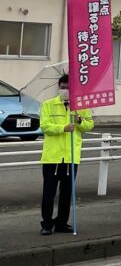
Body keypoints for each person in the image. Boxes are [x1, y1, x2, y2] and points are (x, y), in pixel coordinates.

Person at [39, 73, 94, 235]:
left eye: (69, 88)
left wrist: (79, 121)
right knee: (49, 192)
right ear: (59, 87)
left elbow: (89, 125)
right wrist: (63, 128)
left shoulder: (81, 106)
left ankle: (62, 222)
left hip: (71, 156)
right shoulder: (48, 105)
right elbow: (45, 126)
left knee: (67, 192)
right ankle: (47, 224)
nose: (65, 90)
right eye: (63, 87)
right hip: (52, 157)